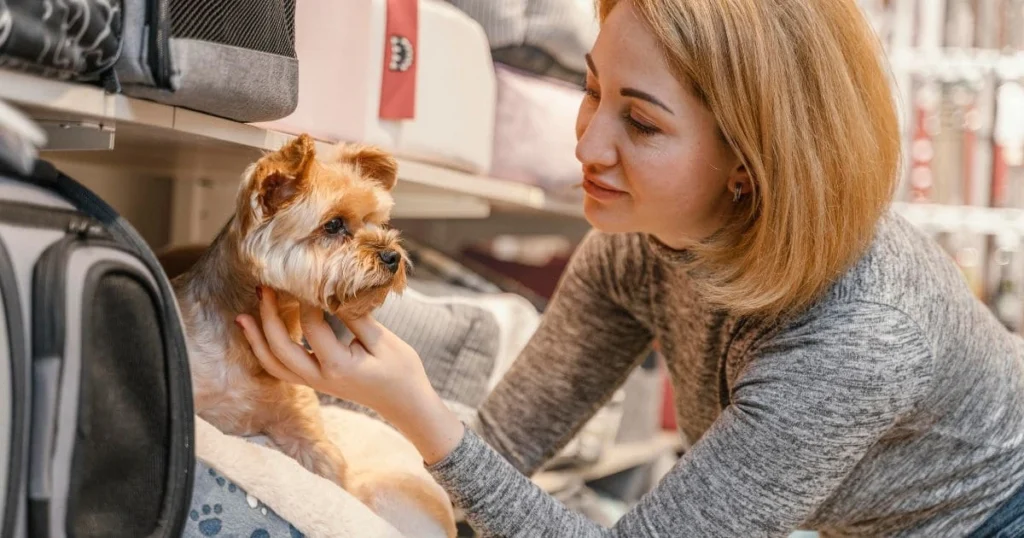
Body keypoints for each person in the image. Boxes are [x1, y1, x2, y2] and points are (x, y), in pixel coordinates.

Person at [233, 0, 1024, 535]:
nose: (585, 146)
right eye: (591, 89)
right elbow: (507, 443)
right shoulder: (636, 247)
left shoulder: (859, 334)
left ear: (749, 163)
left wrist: (417, 410)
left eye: (640, 122)